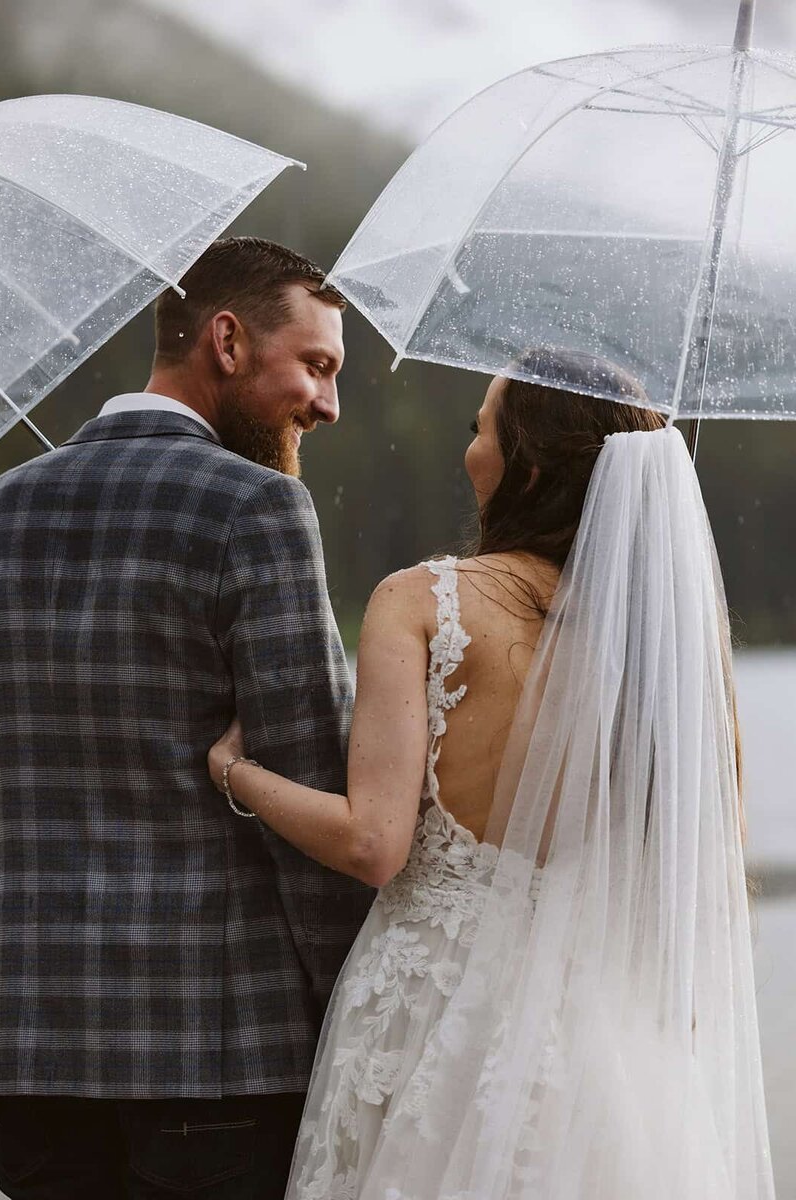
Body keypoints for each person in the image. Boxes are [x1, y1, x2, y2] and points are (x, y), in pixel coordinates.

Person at [210, 352, 775, 1200]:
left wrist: (236, 772)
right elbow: (703, 888)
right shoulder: (675, 653)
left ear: (531, 464)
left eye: (480, 428)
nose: (467, 449)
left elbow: (373, 843)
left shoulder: (422, 600)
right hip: (603, 1034)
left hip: (428, 1016)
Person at [0, 237, 371, 1199]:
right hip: (215, 1053)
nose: (328, 402)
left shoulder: (4, 505)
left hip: (24, 1055)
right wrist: (356, 1007)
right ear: (229, 340)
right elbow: (314, 772)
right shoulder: (256, 507)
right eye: (318, 365)